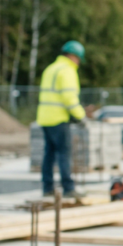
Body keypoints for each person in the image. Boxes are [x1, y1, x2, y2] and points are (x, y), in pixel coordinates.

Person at [36, 40, 87, 198]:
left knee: (49, 154)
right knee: (64, 153)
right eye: (78, 59)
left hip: (45, 118)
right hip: (58, 119)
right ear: (73, 56)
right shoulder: (67, 70)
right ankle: (68, 188)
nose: (78, 63)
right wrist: (81, 116)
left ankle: (47, 188)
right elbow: (69, 97)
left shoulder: (51, 68)